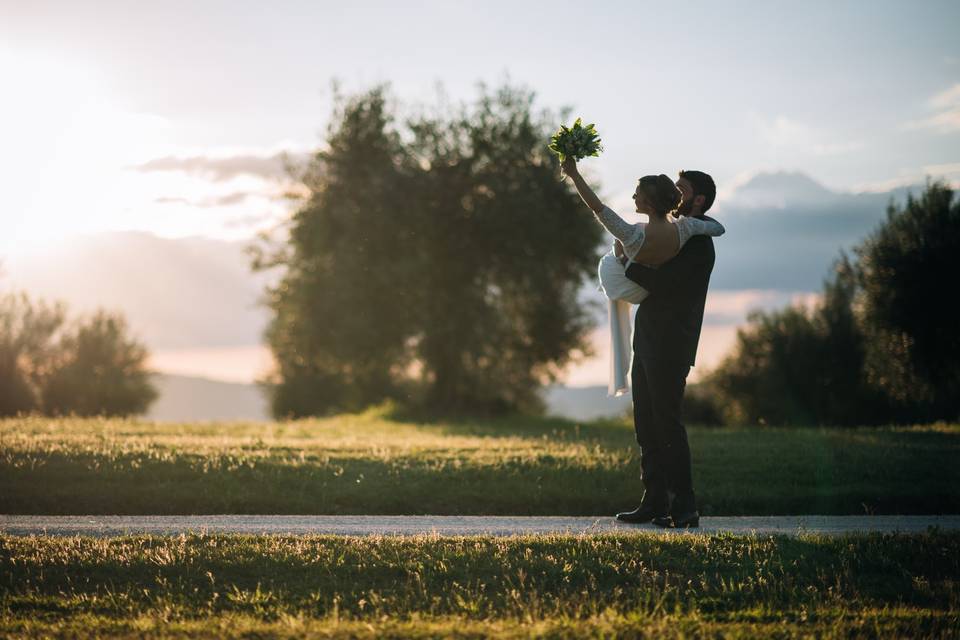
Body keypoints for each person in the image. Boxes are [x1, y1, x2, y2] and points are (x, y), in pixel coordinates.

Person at [562, 156, 719, 528]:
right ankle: (654, 500)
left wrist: (626, 264)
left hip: (672, 344)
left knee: (667, 422)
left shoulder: (697, 244)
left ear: (698, 202)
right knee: (645, 423)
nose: (677, 196)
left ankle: (684, 506)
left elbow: (663, 285)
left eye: (683, 191)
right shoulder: (678, 233)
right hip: (648, 337)